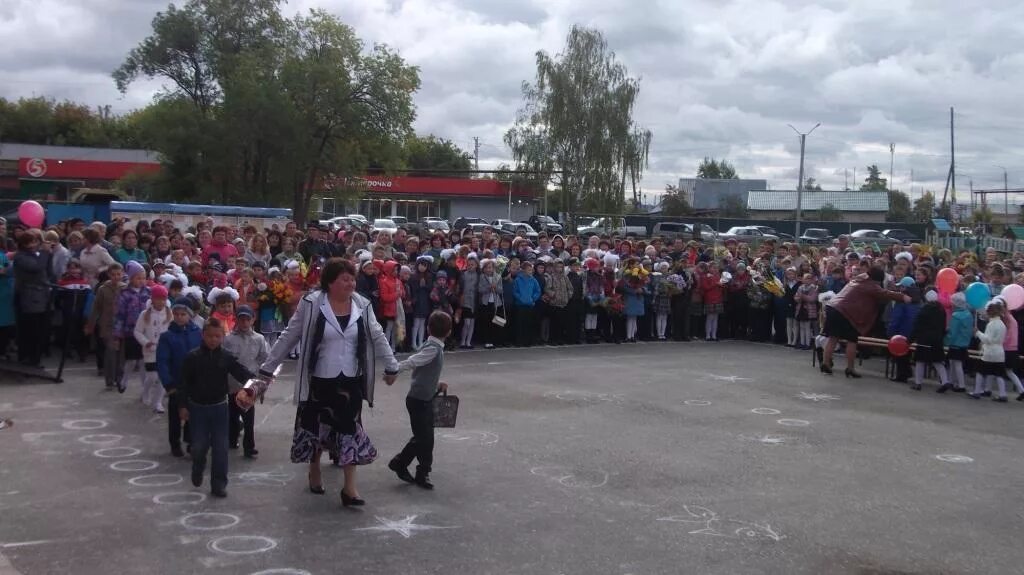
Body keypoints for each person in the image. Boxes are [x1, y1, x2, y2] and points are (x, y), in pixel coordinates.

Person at [259, 258, 399, 506]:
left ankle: (350, 488)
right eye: (345, 279)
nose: (350, 283)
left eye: (352, 278)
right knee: (316, 429)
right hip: (319, 380)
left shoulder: (362, 304)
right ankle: (314, 469)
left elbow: (376, 334)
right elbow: (290, 335)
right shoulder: (312, 303)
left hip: (350, 380)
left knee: (350, 430)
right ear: (330, 282)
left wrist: (391, 365)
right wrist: (267, 369)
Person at [178, 318, 259, 498]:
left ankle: (219, 484)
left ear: (223, 337)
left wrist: (256, 384)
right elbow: (183, 384)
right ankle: (198, 467)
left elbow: (241, 372)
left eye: (217, 336)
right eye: (209, 336)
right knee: (199, 446)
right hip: (197, 408)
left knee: (221, 448)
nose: (213, 340)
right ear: (203, 336)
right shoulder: (192, 357)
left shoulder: (226, 357)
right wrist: (183, 406)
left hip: (220, 408)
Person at [386, 310, 453, 490]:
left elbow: (423, 370)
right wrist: (393, 370)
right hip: (419, 400)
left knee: (423, 438)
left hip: (423, 398)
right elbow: (413, 362)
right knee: (425, 439)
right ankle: (418, 470)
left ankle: (405, 465)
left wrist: (437, 384)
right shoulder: (433, 349)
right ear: (449, 332)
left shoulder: (431, 346)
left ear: (428, 328)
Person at [822, 267, 911, 378]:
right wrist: (903, 296)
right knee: (852, 341)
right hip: (847, 313)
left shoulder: (857, 279)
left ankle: (826, 364)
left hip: (833, 307)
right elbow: (885, 293)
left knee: (832, 338)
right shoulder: (871, 285)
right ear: (878, 279)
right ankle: (850, 368)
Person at [157, 297, 202, 457]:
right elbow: (162, 362)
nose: (179, 317)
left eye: (183, 314)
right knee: (175, 415)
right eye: (176, 314)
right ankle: (174, 443)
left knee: (194, 413)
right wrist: (168, 384)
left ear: (190, 315)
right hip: (176, 382)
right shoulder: (167, 336)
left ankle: (191, 442)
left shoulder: (197, 332)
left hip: (194, 382)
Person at [223, 305, 269, 459]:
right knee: (233, 414)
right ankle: (232, 438)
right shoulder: (228, 338)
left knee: (249, 416)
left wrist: (261, 378)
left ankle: (249, 447)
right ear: (237, 320)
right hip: (232, 383)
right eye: (241, 319)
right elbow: (224, 359)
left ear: (252, 320)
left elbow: (264, 357)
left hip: (250, 384)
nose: (244, 322)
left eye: (247, 319)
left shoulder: (259, 339)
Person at [12, 231, 53, 367]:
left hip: (43, 296)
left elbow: (47, 270)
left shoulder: (37, 254)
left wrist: (48, 255)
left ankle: (36, 358)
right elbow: (36, 267)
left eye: (35, 241)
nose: (34, 244)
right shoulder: (21, 257)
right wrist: (45, 253)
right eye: (31, 242)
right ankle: (28, 358)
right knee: (30, 330)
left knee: (41, 330)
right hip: (30, 297)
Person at [113, 261, 151, 393]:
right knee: (131, 360)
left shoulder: (148, 292)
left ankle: (144, 388)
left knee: (143, 361)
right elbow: (119, 315)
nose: (141, 281)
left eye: (143, 278)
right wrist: (117, 335)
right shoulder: (125, 294)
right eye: (138, 278)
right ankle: (124, 379)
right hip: (131, 332)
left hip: (146, 332)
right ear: (131, 278)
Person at [133, 284, 173, 413]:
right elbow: (137, 332)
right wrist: (146, 342)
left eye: (163, 298)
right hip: (150, 351)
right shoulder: (145, 314)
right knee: (152, 377)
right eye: (158, 298)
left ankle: (158, 402)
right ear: (152, 299)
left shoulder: (169, 314)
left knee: (162, 378)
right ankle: (145, 392)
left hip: (165, 351)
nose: (161, 301)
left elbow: (172, 331)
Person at [908, 290, 949, 392]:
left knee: (920, 361)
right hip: (937, 340)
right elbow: (944, 326)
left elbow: (917, 326)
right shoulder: (941, 310)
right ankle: (945, 381)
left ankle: (918, 383)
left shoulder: (924, 310)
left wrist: (910, 339)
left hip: (924, 340)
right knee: (938, 361)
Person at [971, 299, 1008, 402]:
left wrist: (978, 333)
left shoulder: (991, 324)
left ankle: (977, 391)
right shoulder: (1002, 324)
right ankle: (1002, 394)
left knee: (980, 371)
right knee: (999, 374)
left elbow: (988, 339)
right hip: (1000, 353)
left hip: (989, 353)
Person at [942, 292, 972, 393]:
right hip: (964, 343)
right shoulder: (968, 314)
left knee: (956, 364)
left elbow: (952, 332)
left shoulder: (956, 316)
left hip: (955, 343)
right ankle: (954, 382)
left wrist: (946, 341)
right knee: (956, 363)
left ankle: (960, 384)